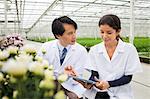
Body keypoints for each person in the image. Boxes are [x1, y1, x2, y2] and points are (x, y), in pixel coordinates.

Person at [82, 14, 142, 99]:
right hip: (100, 94)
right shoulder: (94, 50)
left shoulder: (129, 49)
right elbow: (94, 75)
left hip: (122, 94)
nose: (104, 36)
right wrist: (90, 83)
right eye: (102, 32)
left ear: (118, 31)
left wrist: (109, 84)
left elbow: (128, 77)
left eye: (109, 32)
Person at [37, 16, 89, 99]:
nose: (74, 36)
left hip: (72, 90)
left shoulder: (81, 51)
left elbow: (81, 76)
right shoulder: (46, 47)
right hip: (49, 89)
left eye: (74, 32)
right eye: (69, 33)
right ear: (58, 35)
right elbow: (39, 70)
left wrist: (74, 93)